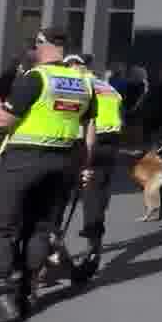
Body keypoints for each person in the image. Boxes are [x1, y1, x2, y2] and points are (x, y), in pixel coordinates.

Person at [0, 28, 96, 322]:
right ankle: (27, 292)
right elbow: (88, 131)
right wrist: (84, 166)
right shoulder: (83, 83)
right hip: (64, 160)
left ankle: (2, 295)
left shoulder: (36, 77)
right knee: (40, 227)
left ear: (43, 45)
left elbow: (4, 120)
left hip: (26, 157)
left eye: (35, 44)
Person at [63, 53, 123, 278]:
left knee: (61, 194)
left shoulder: (77, 85)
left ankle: (50, 252)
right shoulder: (107, 87)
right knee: (96, 195)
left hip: (87, 141)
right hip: (111, 142)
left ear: (72, 67)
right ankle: (93, 245)